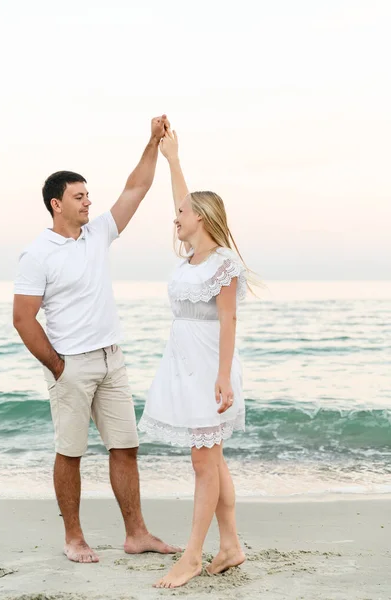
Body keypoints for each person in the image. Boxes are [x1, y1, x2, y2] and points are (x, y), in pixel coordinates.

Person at [13, 115, 180, 564]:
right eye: (79, 196)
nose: (89, 202)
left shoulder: (98, 233)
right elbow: (23, 319)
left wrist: (151, 143)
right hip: (70, 364)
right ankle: (74, 538)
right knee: (70, 453)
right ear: (56, 204)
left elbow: (136, 189)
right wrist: (58, 366)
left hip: (112, 360)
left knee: (126, 448)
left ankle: (137, 534)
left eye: (89, 195)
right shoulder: (37, 254)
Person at [138, 128, 252, 588]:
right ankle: (231, 547)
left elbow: (229, 322)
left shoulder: (223, 262)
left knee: (204, 463)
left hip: (209, 367)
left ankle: (191, 556)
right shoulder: (190, 256)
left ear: (201, 218)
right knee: (213, 460)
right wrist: (172, 158)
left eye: (182, 214)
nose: (175, 218)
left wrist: (223, 378)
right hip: (181, 365)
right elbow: (184, 197)